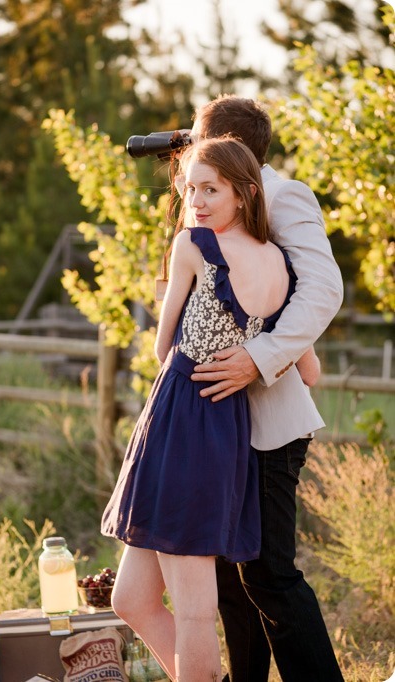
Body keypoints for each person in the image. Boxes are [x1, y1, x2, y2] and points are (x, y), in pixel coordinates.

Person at [101, 137, 319, 682]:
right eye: (190, 187)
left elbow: (160, 345)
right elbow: (309, 369)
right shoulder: (281, 264)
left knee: (197, 611)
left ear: (244, 194)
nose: (195, 200)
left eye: (210, 189)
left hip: (182, 421)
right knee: (130, 597)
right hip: (225, 427)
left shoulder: (192, 246)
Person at [187, 96, 344, 681]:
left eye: (198, 138)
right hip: (218, 419)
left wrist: (260, 358)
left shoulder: (282, 195)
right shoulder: (204, 203)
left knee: (269, 573)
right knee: (227, 573)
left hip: (269, 417)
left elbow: (324, 290)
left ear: (229, 142)